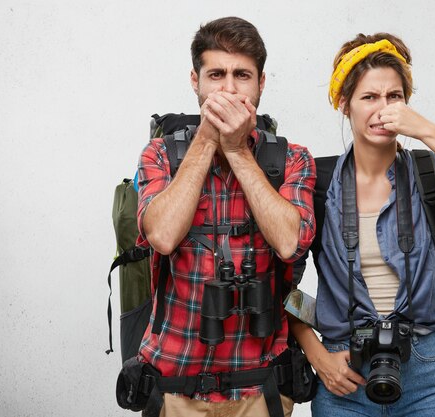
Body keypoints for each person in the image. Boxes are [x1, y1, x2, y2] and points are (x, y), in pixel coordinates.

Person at [289, 33, 435, 416]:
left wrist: (430, 132)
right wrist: (316, 353)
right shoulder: (318, 182)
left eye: (394, 97)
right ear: (344, 104)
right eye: (369, 97)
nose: (383, 109)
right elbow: (280, 285)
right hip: (342, 370)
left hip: (424, 370)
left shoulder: (428, 172)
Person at [135, 16, 316, 417]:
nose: (229, 89)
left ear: (261, 83)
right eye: (216, 75)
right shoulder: (159, 155)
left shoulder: (293, 160)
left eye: (242, 75)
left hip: (260, 389)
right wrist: (207, 139)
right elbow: (162, 236)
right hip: (173, 387)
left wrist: (236, 151)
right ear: (195, 80)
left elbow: (290, 243)